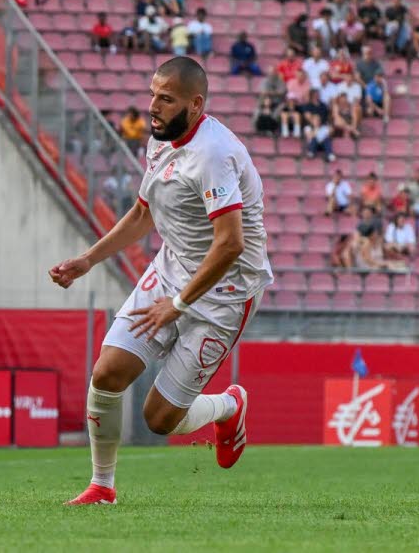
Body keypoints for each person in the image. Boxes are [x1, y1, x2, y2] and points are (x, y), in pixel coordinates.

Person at [51, 57, 273, 505]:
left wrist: (179, 304)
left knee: (159, 419)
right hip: (170, 271)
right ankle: (102, 486)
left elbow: (230, 244)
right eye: (153, 94)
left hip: (225, 293)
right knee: (107, 372)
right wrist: (89, 259)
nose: (153, 106)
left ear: (195, 104)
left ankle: (229, 405)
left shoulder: (213, 154)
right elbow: (142, 213)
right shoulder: (161, 139)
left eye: (166, 99)